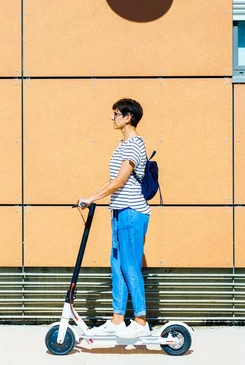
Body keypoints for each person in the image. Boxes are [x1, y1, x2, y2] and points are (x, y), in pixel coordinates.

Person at [77, 98, 151, 338]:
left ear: (129, 117)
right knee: (117, 265)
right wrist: (91, 196)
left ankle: (140, 321)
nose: (113, 117)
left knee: (130, 266)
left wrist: (92, 198)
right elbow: (113, 182)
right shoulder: (122, 145)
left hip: (132, 212)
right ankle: (118, 319)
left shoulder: (134, 144)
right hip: (119, 212)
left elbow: (120, 182)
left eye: (117, 113)